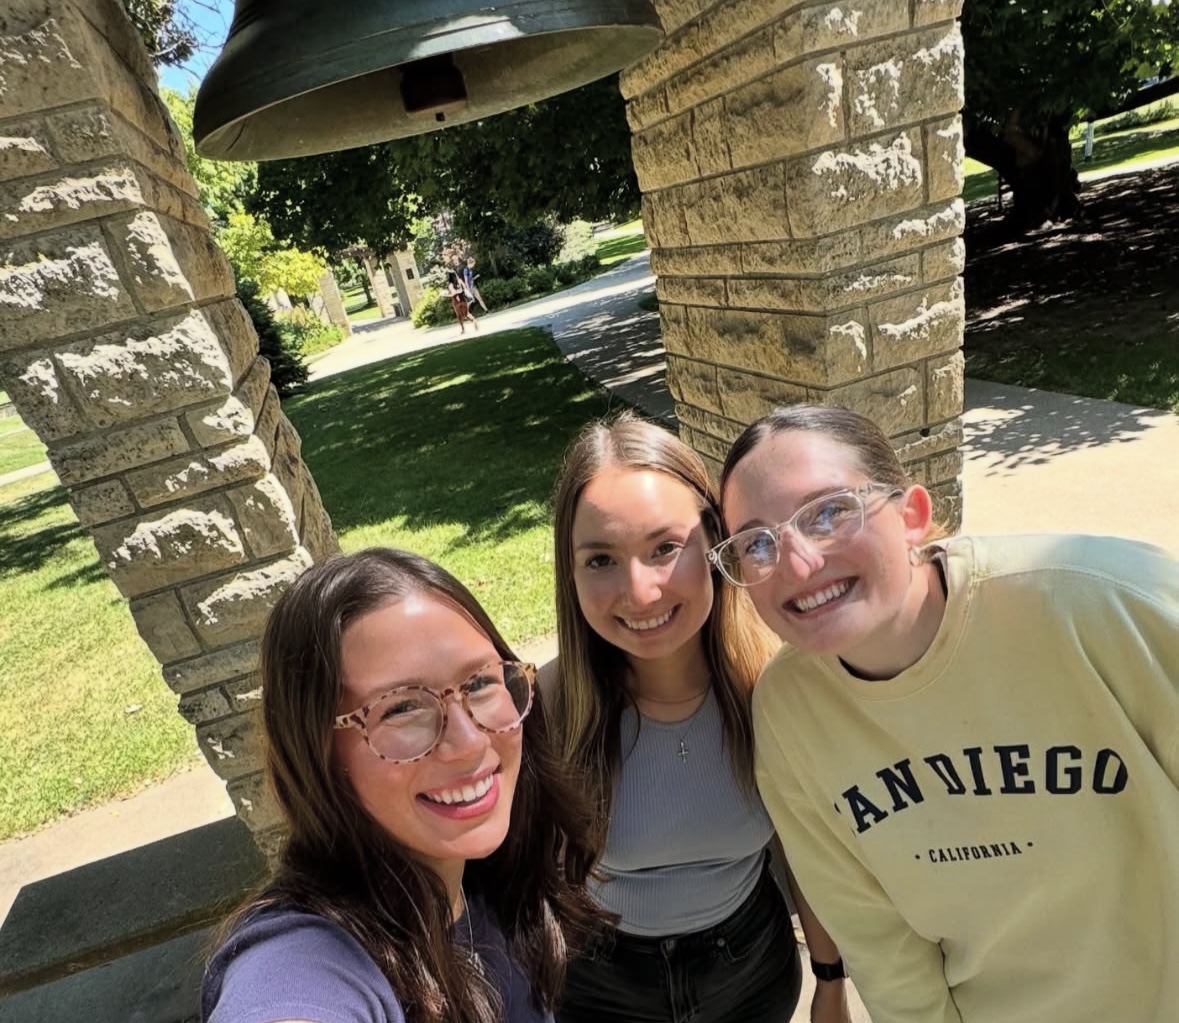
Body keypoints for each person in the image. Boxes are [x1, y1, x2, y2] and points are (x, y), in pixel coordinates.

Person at [715, 403, 1179, 1023]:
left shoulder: (1106, 602)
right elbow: (885, 954)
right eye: (758, 543)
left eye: (828, 512)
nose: (798, 565)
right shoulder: (788, 715)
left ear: (913, 515)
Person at [200, 548, 603, 1023]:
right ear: (316, 753)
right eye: (400, 708)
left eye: (479, 683)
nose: (469, 742)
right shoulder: (310, 957)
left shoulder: (492, 880)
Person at [545, 412, 851, 1023]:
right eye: (601, 559)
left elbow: (809, 849)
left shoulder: (774, 688)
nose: (640, 591)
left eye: (665, 548)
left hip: (750, 972)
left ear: (715, 544)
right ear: (570, 571)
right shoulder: (546, 708)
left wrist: (831, 980)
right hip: (601, 986)